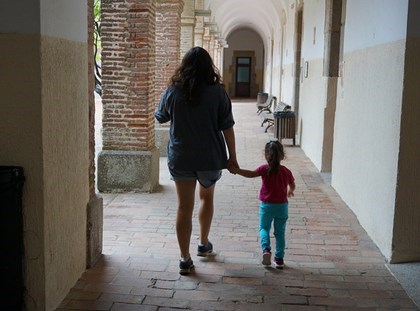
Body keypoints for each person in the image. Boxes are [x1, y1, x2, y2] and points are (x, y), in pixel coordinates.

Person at [155, 47, 238, 275]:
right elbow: (227, 127)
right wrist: (233, 158)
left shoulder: (173, 91)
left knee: (183, 206)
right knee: (206, 197)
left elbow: (160, 116)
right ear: (208, 66)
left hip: (181, 156)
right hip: (210, 156)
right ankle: (203, 243)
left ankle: (184, 258)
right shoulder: (218, 92)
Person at [230, 140, 295, 268]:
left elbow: (250, 174)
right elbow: (292, 184)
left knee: (264, 228)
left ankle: (266, 250)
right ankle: (279, 259)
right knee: (280, 233)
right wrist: (290, 191)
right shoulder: (286, 171)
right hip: (282, 207)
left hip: (267, 206)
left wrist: (236, 170)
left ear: (266, 155)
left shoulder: (264, 169)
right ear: (282, 155)